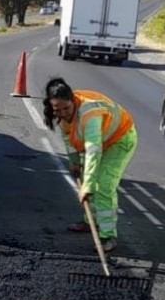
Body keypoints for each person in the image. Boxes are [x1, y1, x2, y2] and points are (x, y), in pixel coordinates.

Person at [42, 77, 138, 253]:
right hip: (100, 141)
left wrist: (87, 185)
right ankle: (90, 221)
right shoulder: (63, 114)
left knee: (102, 185)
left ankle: (108, 236)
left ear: (73, 101)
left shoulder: (89, 115)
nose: (63, 113)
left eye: (66, 108)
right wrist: (74, 162)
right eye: (58, 110)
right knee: (88, 177)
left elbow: (93, 150)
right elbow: (68, 136)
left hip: (119, 139)